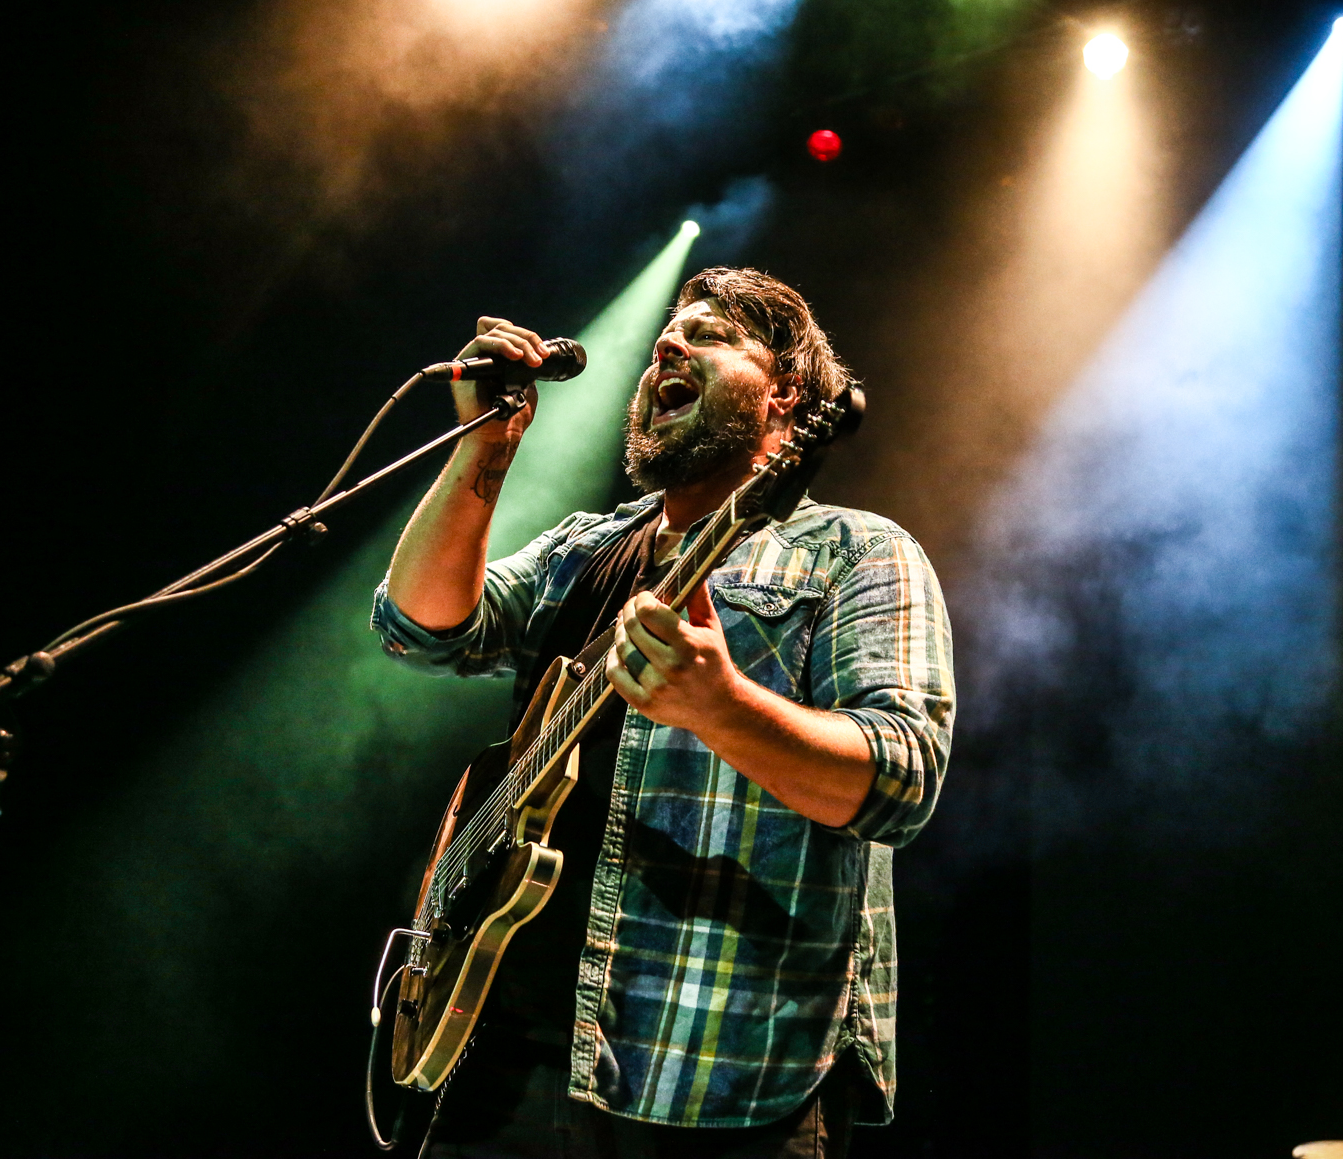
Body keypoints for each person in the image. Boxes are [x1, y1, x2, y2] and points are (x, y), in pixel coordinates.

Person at [372, 267, 954, 1158]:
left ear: (786, 393)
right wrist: (484, 446)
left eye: (710, 335)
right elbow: (419, 627)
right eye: (663, 340)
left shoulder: (855, 553)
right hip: (499, 1061)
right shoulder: (587, 548)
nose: (669, 346)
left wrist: (722, 707)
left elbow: (901, 780)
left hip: (717, 1071)